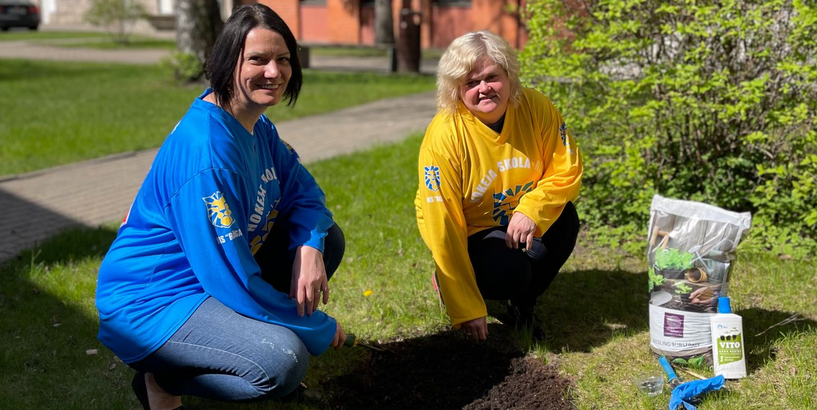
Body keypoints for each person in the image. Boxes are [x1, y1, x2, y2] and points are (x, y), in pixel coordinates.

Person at [95, 5, 347, 409]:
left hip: (205, 277)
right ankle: (161, 380)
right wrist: (313, 326)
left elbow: (306, 193)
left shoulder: (256, 125)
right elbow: (230, 278)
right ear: (229, 62)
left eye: (283, 59)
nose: (274, 71)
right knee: (282, 361)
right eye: (258, 60)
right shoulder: (207, 153)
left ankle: (222, 348)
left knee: (327, 240)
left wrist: (310, 245)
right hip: (153, 300)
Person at [415, 30, 583, 342]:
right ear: (456, 89)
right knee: (508, 274)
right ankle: (449, 280)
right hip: (470, 228)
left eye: (492, 76)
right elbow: (444, 225)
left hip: (520, 215)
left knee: (565, 221)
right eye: (471, 82)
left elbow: (566, 168)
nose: (484, 89)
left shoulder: (536, 107)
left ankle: (522, 304)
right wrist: (465, 305)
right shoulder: (444, 137)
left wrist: (532, 209)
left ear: (509, 75)